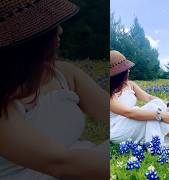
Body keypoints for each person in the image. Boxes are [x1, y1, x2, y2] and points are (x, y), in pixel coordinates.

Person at [0, 0, 107, 179]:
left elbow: (115, 114)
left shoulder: (65, 74)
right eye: (50, 26)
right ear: (28, 41)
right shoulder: (3, 102)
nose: (60, 31)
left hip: (78, 163)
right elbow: (59, 164)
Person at [110, 50, 169, 145]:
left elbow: (148, 97)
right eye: (126, 69)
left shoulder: (130, 85)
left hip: (132, 122)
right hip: (118, 130)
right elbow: (128, 113)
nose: (129, 70)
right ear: (118, 74)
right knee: (153, 110)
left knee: (157, 103)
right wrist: (160, 115)